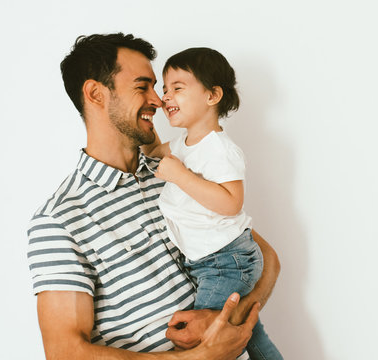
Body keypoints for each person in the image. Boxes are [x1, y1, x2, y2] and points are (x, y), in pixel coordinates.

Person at [26, 33, 280, 360]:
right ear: (95, 93)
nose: (159, 100)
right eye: (142, 86)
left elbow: (266, 258)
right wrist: (198, 357)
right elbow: (65, 352)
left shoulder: (176, 172)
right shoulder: (59, 221)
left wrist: (225, 318)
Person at [141, 47, 282, 360]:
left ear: (212, 95)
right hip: (210, 262)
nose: (166, 97)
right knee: (248, 333)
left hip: (226, 262)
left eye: (178, 88)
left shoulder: (220, 149)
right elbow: (151, 150)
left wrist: (180, 176)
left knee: (202, 341)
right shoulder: (180, 144)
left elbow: (232, 203)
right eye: (165, 90)